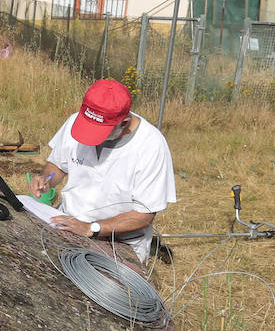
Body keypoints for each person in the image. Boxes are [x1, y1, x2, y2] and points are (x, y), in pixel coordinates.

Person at [29, 78, 177, 262]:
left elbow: (144, 215)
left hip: (120, 243)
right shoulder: (76, 121)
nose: (91, 137)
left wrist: (92, 228)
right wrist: (46, 178)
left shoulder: (151, 146)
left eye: (100, 132)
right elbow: (58, 165)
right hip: (67, 224)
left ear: (124, 123)